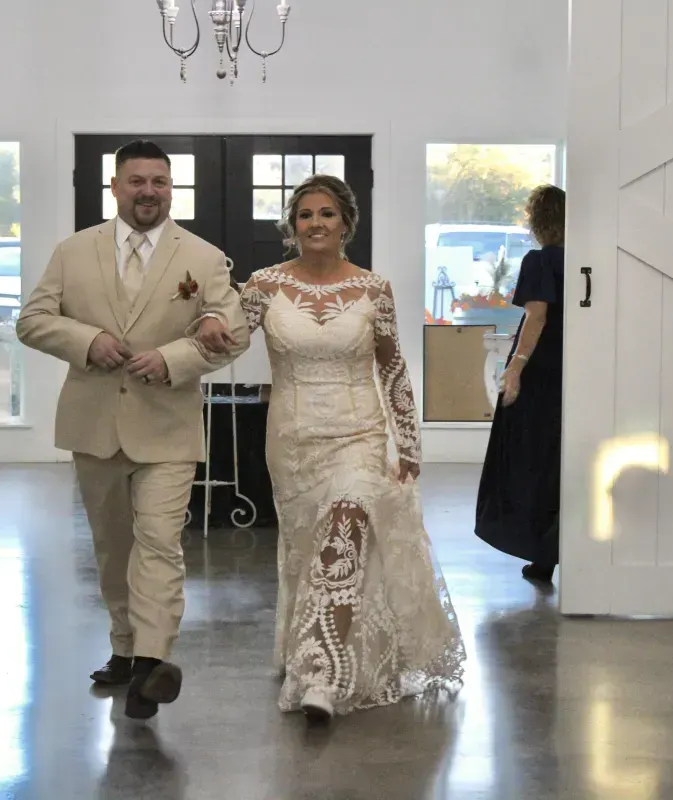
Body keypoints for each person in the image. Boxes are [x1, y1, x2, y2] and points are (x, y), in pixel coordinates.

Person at [194, 174, 466, 724]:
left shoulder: (373, 289)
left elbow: (391, 366)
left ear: (346, 223)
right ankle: (307, 650)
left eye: (326, 214)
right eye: (305, 215)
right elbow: (231, 340)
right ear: (293, 226)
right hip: (291, 441)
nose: (315, 224)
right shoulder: (264, 286)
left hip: (359, 433)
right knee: (307, 550)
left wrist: (407, 439)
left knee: (348, 523)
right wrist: (202, 323)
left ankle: (321, 674)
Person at [16, 139, 249, 720]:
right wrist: (86, 341)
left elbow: (232, 331)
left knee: (159, 542)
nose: (149, 191)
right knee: (112, 546)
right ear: (115, 187)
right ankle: (124, 648)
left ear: (172, 189)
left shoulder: (204, 257)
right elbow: (32, 321)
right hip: (94, 423)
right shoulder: (73, 252)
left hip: (168, 426)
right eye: (137, 181)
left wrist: (176, 359)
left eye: (160, 182)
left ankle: (150, 663)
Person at [474, 184, 566, 585]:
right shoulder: (588, 262)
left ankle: (540, 550)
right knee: (562, 463)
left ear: (538, 221)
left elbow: (537, 317)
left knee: (529, 459)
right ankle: (556, 549)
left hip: (543, 371)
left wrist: (516, 366)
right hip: (576, 368)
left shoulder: (541, 260)